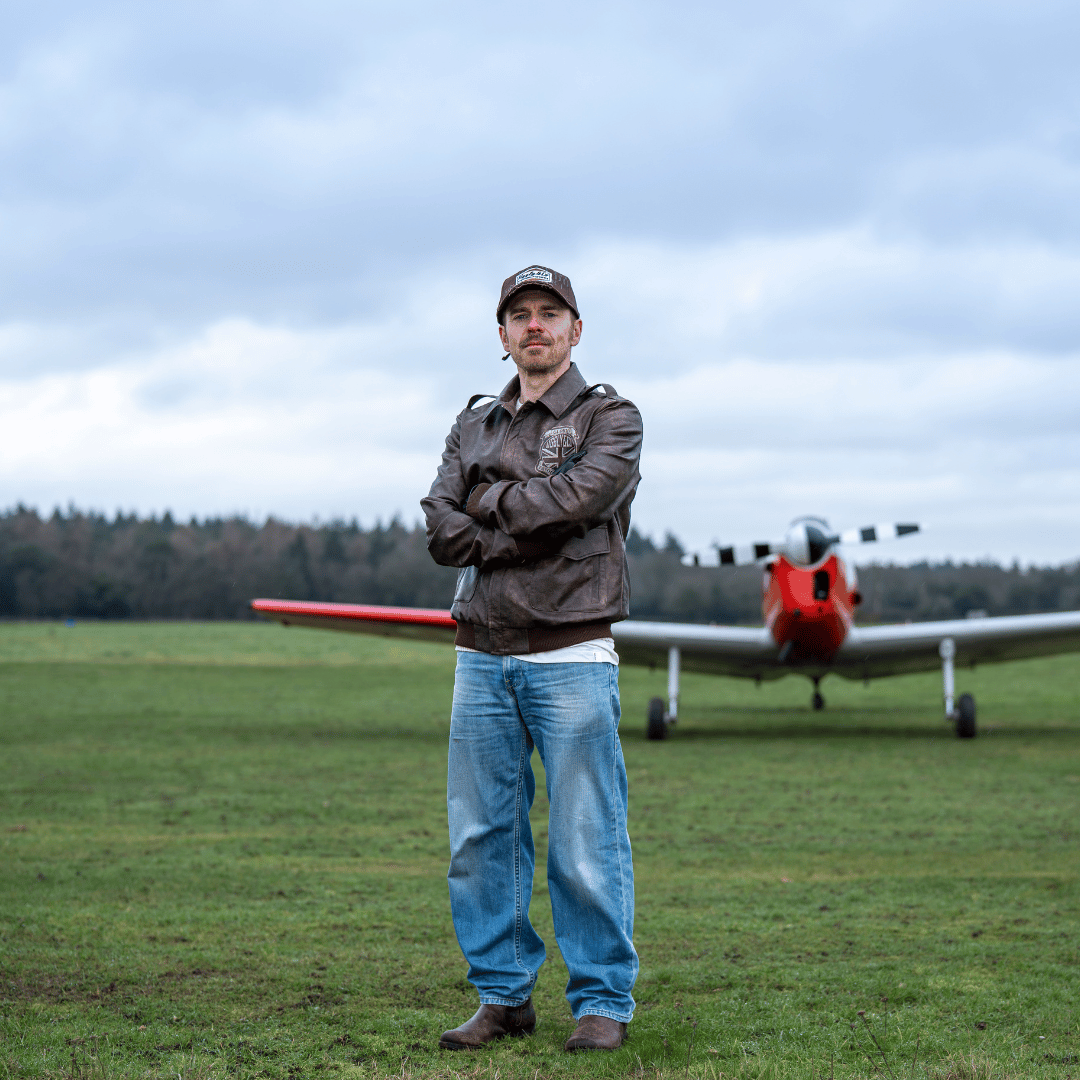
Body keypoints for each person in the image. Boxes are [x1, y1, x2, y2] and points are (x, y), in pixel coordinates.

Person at [421, 265, 643, 1053]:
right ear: (504, 333)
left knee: (586, 835)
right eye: (520, 315)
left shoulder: (611, 418)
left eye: (551, 313)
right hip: (481, 653)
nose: (535, 325)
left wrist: (485, 505)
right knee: (479, 837)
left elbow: (578, 502)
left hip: (572, 649)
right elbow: (439, 525)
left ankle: (602, 1002)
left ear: (576, 330)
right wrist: (520, 516)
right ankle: (503, 996)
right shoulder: (473, 423)